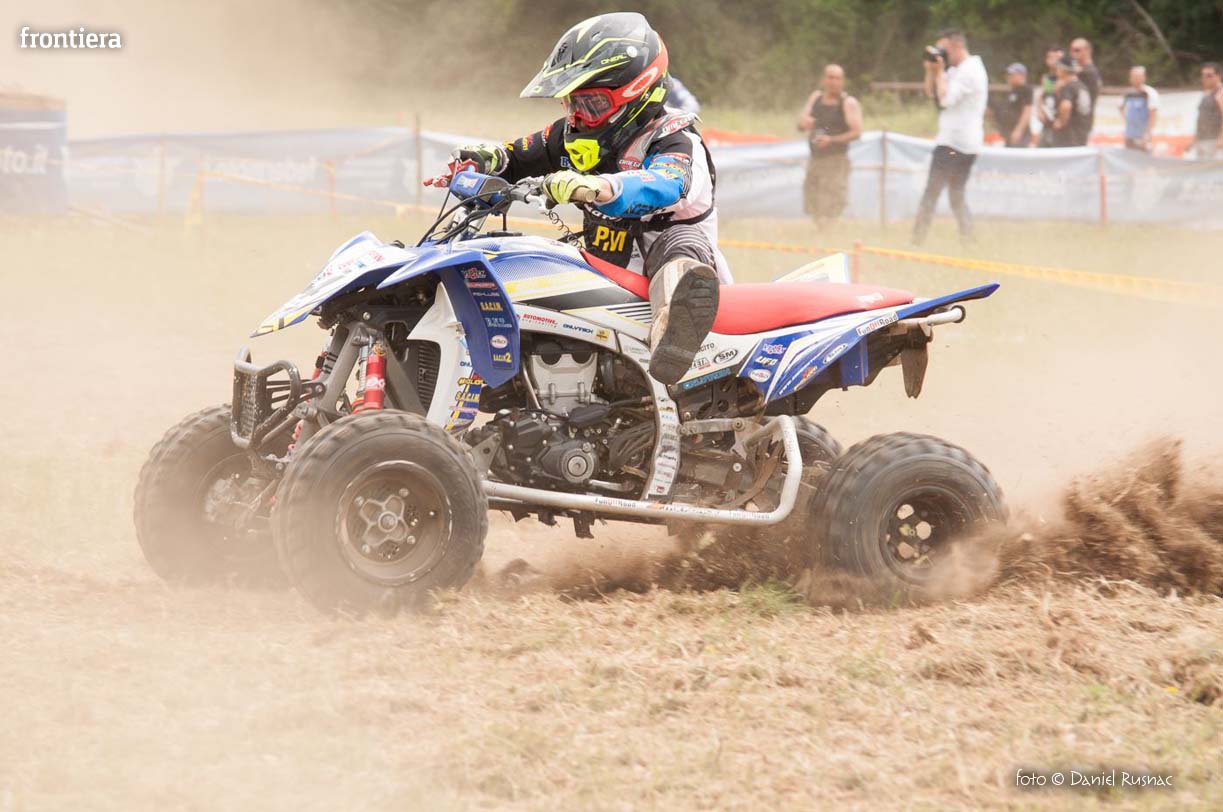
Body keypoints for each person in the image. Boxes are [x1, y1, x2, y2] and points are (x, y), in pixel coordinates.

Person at [424, 13, 725, 385]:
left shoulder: (675, 139)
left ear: (638, 93)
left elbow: (668, 182)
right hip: (604, 276)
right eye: (571, 103)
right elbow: (518, 157)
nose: (578, 117)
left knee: (680, 241)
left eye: (592, 104)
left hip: (665, 280)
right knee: (527, 257)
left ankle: (677, 331)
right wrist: (487, 161)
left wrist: (598, 188)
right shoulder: (573, 133)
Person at [911, 28, 988, 245]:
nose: (942, 55)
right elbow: (932, 93)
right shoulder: (958, 69)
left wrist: (940, 71)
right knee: (956, 195)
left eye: (944, 50)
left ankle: (917, 241)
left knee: (931, 193)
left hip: (954, 143)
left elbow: (945, 100)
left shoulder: (969, 71)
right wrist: (932, 71)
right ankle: (969, 239)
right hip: (965, 143)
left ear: (957, 46)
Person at [796, 64, 863, 227]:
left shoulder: (848, 103)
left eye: (838, 78)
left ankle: (829, 231)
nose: (834, 82)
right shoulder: (816, 98)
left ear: (843, 81)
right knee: (813, 199)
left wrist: (831, 140)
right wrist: (804, 124)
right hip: (815, 158)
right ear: (823, 79)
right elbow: (801, 124)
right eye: (830, 77)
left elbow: (856, 132)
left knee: (832, 201)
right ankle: (821, 231)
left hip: (836, 159)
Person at [1050, 55, 1092, 147]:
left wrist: (1060, 122)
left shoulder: (1068, 87)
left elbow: (1066, 106)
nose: (1056, 70)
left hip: (1068, 137)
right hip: (1080, 135)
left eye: (1058, 67)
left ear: (1063, 70)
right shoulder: (1082, 86)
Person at [989, 63, 1032, 147]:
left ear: (1021, 75)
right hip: (1009, 132)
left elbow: (1027, 112)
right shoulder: (1013, 91)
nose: (1009, 77)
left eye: (1012, 74)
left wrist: (1019, 130)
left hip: (1020, 134)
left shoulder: (1026, 90)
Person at [1120, 66, 1159, 152]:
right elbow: (1120, 107)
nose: (1135, 79)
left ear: (1144, 78)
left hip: (1144, 136)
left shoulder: (1149, 93)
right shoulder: (1128, 93)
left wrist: (1147, 133)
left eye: (1138, 77)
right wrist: (1127, 120)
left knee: (1144, 158)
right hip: (1130, 135)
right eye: (1133, 77)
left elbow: (1153, 114)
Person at [1069, 38, 1101, 135]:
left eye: (1077, 50)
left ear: (1088, 51)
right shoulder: (1082, 71)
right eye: (1071, 50)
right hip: (1075, 122)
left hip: (1079, 123)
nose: (1072, 53)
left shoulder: (1089, 73)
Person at [1035, 47, 1065, 147]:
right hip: (1047, 122)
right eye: (1050, 57)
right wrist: (1039, 111)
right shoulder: (1047, 77)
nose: (1053, 60)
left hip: (1059, 124)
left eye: (1056, 57)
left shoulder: (1064, 77)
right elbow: (1043, 95)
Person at [1194, 62, 1223, 160]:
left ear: (1219, 76)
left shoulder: (1220, 92)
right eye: (1203, 75)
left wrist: (1221, 138)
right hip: (1203, 140)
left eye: (1209, 75)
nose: (1205, 78)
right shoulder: (1207, 94)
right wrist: (1194, 140)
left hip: (1214, 141)